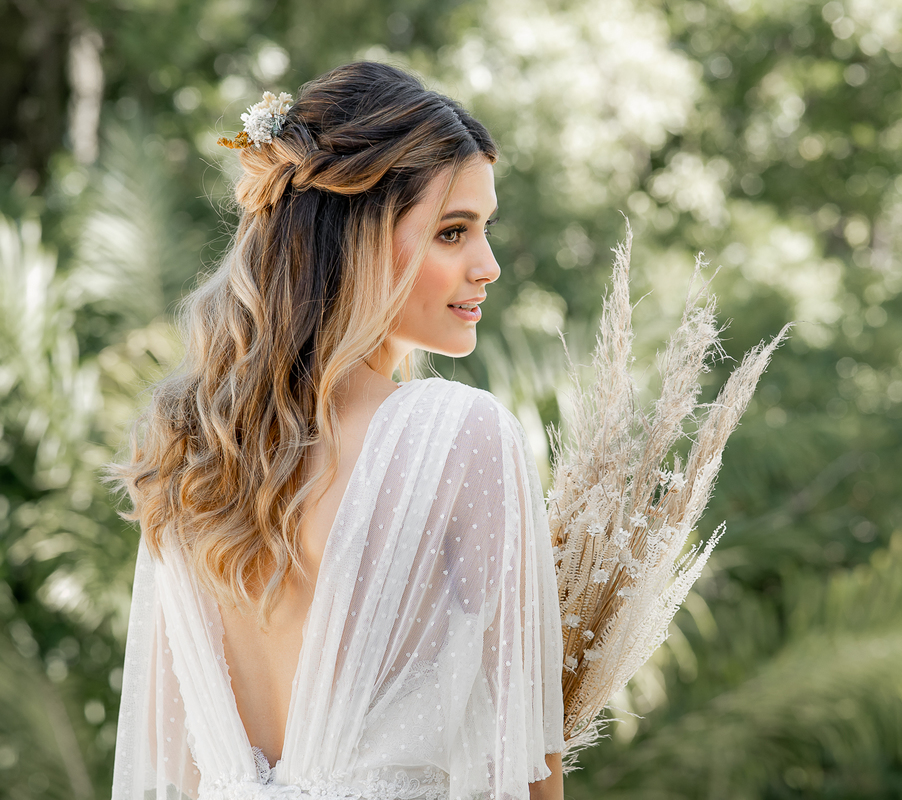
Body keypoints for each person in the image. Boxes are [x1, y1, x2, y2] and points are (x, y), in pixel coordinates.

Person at [108, 61, 566, 800]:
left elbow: (167, 764)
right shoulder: (458, 434)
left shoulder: (190, 447)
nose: (489, 265)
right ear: (359, 236)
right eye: (454, 232)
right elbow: (528, 768)